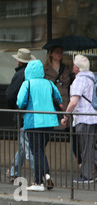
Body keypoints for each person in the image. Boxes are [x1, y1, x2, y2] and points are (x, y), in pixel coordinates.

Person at [17, 59, 62, 191]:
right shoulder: (49, 83)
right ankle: (47, 175)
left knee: (36, 151)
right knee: (40, 150)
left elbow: (20, 102)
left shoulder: (27, 84)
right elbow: (58, 98)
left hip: (33, 122)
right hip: (49, 122)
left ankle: (38, 182)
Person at [61, 55, 97, 183]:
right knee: (91, 147)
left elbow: (74, 102)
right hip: (93, 117)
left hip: (83, 118)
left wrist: (66, 116)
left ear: (76, 67)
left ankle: (87, 177)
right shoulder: (92, 77)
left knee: (85, 149)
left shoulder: (79, 80)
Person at [6, 49, 35, 181]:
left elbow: (10, 95)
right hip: (32, 114)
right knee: (24, 145)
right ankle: (13, 170)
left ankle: (40, 175)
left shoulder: (20, 75)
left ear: (19, 61)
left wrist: (15, 107)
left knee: (27, 147)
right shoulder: (32, 74)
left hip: (22, 114)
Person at [43, 46, 72, 111]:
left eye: (61, 52)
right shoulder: (45, 69)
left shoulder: (66, 69)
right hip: (51, 102)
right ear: (51, 54)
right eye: (57, 52)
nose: (59, 54)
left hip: (65, 102)